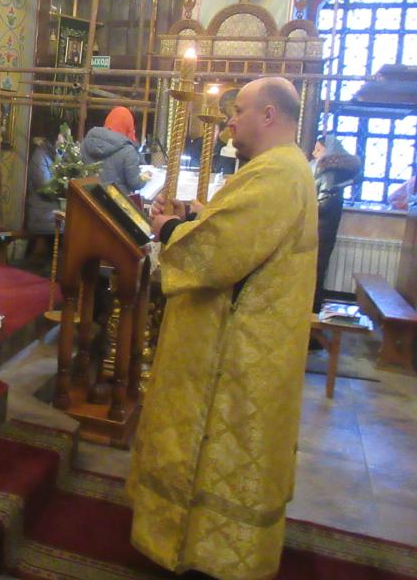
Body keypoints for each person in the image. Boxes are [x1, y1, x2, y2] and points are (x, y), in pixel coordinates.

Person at [128, 77, 318, 580]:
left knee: (217, 452)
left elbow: (220, 253)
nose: (230, 121)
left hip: (237, 353)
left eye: (239, 110)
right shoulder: (283, 168)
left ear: (269, 115)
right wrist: (198, 214)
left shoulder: (277, 172)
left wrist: (169, 229)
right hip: (254, 343)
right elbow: (242, 228)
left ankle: (204, 555)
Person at [312, 135, 362, 312]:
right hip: (323, 229)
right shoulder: (332, 171)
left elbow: (324, 204)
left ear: (329, 151)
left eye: (318, 149)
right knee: (316, 271)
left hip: (319, 229)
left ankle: (312, 312)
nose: (314, 153)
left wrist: (303, 206)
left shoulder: (330, 172)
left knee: (313, 272)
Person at [81, 106, 145, 193]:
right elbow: (135, 183)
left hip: (87, 196)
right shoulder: (128, 150)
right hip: (116, 199)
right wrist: (146, 178)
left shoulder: (86, 143)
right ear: (129, 126)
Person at [25, 129, 64, 234]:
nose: (64, 144)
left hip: (53, 212)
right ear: (53, 141)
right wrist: (64, 188)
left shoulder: (58, 155)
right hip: (42, 214)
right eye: (61, 141)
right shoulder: (40, 156)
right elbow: (46, 189)